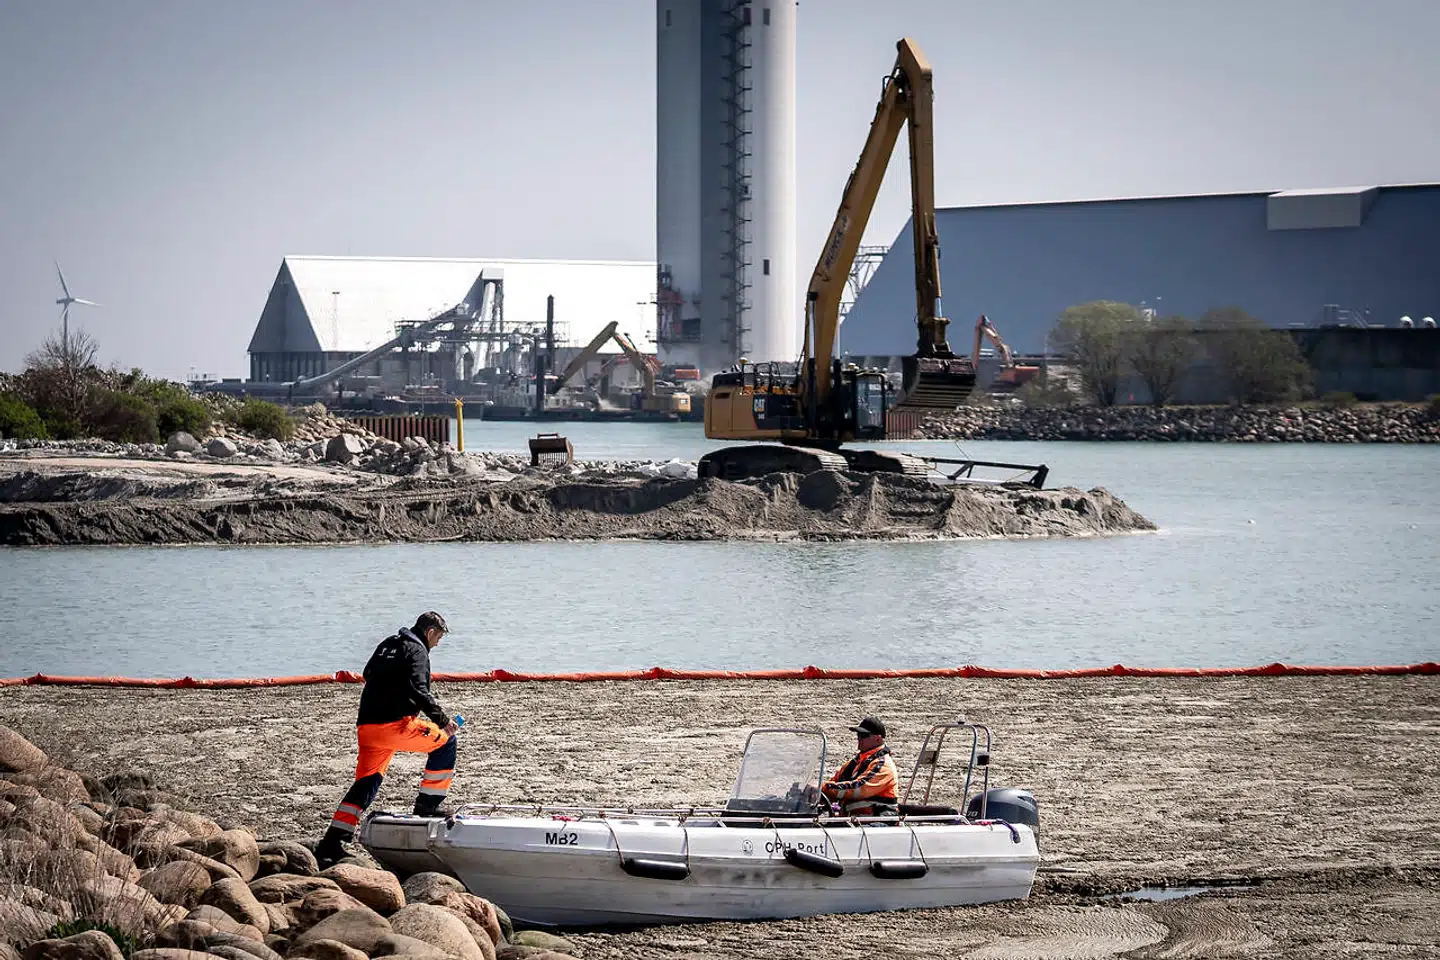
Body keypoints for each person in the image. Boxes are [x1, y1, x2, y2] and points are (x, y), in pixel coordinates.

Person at [314, 611, 460, 868]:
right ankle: (428, 806)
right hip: (395, 725)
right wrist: (442, 720)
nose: (438, 643)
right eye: (438, 638)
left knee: (366, 782)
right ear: (429, 633)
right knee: (445, 742)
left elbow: (368, 673)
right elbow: (419, 689)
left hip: (367, 727)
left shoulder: (388, 644)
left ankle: (333, 842)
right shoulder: (418, 651)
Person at [820, 716, 899, 817]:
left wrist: (823, 788)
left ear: (878, 739)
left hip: (878, 822)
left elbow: (859, 788)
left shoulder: (883, 764)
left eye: (864, 735)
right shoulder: (854, 763)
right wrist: (813, 792)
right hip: (854, 821)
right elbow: (834, 783)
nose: (859, 738)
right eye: (858, 734)